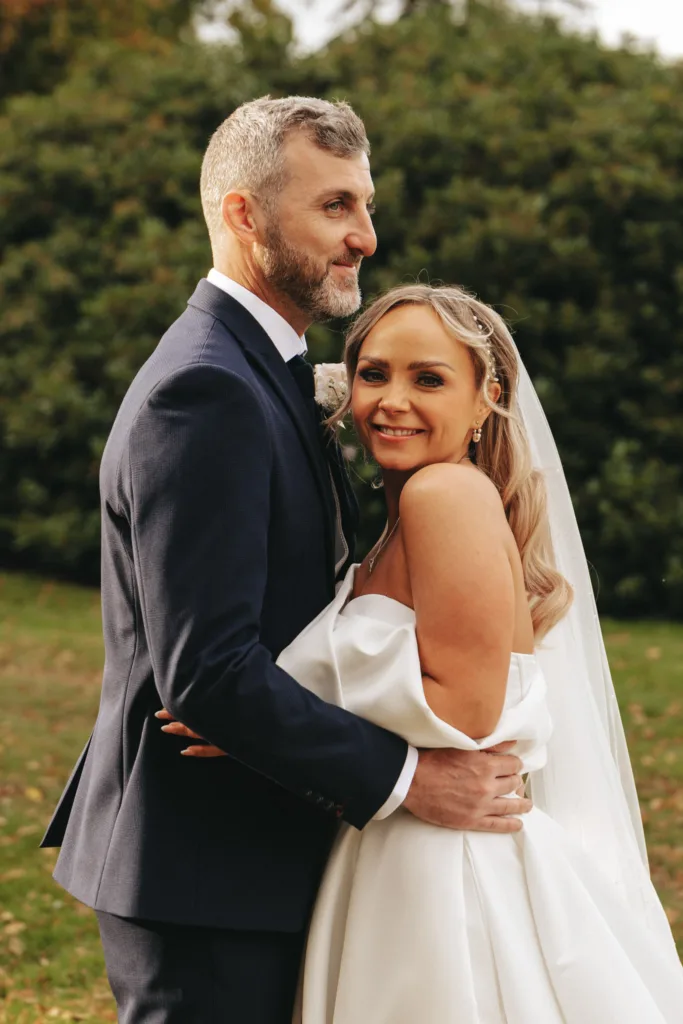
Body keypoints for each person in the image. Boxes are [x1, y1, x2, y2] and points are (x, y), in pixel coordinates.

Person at [40, 99, 530, 1024]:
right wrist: (410, 780)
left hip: (256, 849)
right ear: (242, 215)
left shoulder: (263, 370)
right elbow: (210, 671)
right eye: (336, 207)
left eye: (367, 207)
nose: (367, 237)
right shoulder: (207, 389)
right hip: (205, 868)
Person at [171, 283, 683, 1021]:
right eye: (374, 374)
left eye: (429, 379)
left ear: (485, 400)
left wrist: (262, 718)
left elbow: (464, 711)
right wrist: (263, 718)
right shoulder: (402, 511)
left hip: (448, 871)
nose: (391, 400)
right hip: (402, 843)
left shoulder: (443, 494)